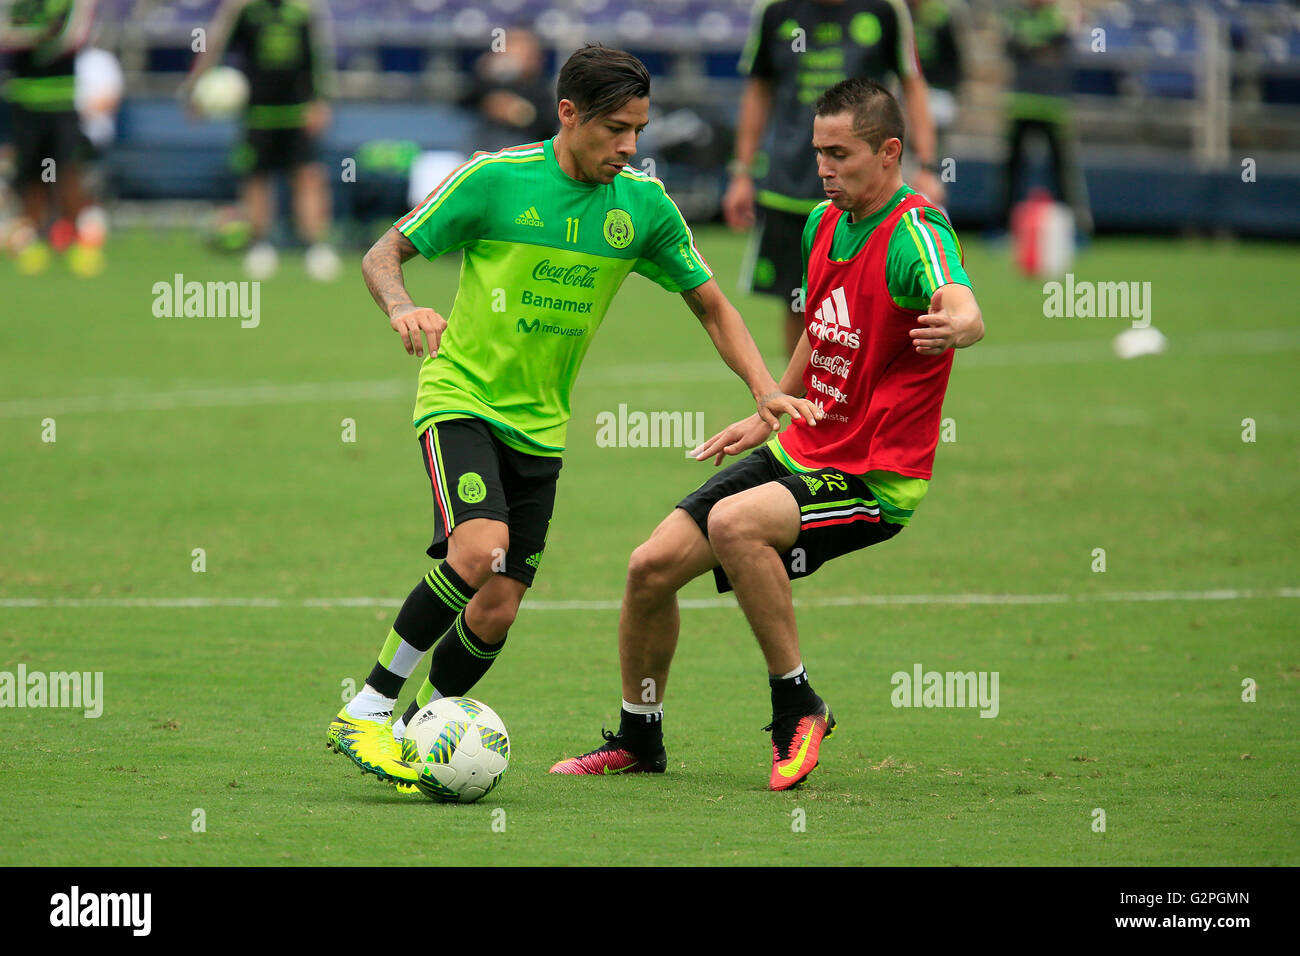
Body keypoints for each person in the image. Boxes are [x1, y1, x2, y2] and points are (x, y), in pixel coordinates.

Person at [326, 44, 821, 793]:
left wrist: (762, 388)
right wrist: (402, 306)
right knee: (479, 550)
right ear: (568, 115)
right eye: (616, 129)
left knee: (496, 609)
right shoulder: (495, 179)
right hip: (462, 400)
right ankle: (365, 709)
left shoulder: (642, 207)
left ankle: (416, 736)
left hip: (542, 428)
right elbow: (382, 254)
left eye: (638, 130)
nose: (629, 146)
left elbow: (712, 305)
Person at [551, 78, 984, 790]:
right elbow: (823, 325)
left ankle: (798, 705)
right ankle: (639, 739)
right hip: (804, 445)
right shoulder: (822, 223)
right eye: (818, 152)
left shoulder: (915, 232)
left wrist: (960, 322)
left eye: (840, 154)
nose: (824, 168)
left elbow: (958, 298)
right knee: (649, 568)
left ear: (889, 152)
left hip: (875, 475)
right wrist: (774, 405)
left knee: (736, 524)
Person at [724, 0, 945, 357]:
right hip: (790, 186)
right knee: (798, 302)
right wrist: (742, 173)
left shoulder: (885, 10)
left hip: (868, 195)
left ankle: (859, 384)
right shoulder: (776, 10)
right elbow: (757, 90)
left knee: (872, 300)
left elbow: (913, 84)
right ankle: (808, 388)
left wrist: (929, 166)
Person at [181, 0, 338, 280]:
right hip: (257, 113)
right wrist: (195, 89)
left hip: (298, 110)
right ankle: (260, 246)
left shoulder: (303, 10)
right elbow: (215, 47)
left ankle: (315, 248)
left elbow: (318, 55)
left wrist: (321, 99)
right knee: (256, 179)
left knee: (307, 176)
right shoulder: (244, 9)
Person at [1, 0, 97, 275]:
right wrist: (38, 36)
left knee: (67, 172)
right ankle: (31, 241)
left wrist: (46, 38)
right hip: (25, 99)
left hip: (62, 101)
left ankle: (78, 242)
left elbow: (74, 36)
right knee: (31, 176)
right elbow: (6, 34)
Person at [1000, 0, 1091, 234]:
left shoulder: (1060, 18)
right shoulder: (1017, 17)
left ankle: (1073, 229)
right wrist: (1040, 49)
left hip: (1053, 107)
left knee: (1061, 171)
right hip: (1022, 105)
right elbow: (1012, 47)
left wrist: (1032, 48)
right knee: (1012, 171)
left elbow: (1062, 47)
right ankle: (1003, 228)